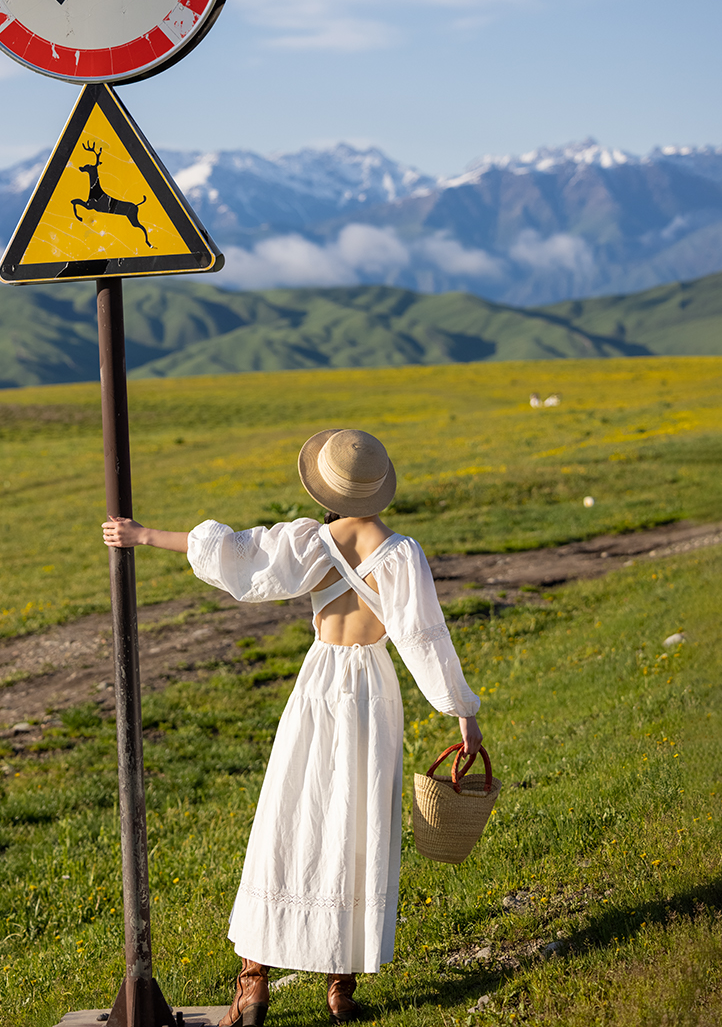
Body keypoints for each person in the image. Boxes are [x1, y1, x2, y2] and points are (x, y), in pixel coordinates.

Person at [102, 429, 482, 1027]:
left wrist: (143, 535)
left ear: (327, 488)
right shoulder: (401, 552)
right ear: (378, 489)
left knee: (289, 817)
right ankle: (340, 989)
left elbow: (230, 552)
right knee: (355, 823)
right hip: (370, 694)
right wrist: (462, 711)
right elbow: (424, 638)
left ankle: (253, 987)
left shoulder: (308, 541)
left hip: (316, 687)